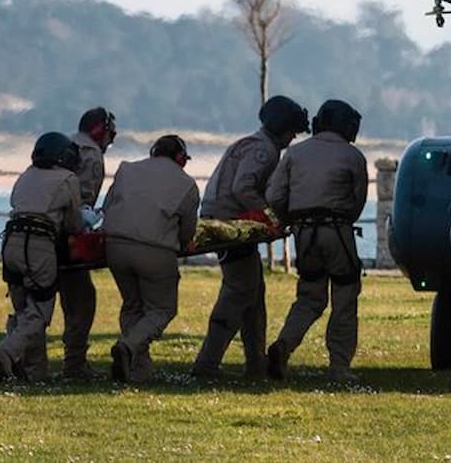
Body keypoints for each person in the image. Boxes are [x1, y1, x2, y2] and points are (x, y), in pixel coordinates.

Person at [190, 96, 310, 379]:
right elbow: (243, 188)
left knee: (254, 294)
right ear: (281, 127)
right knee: (239, 291)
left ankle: (256, 363)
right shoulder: (264, 150)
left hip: (221, 220)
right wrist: (271, 218)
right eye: (292, 130)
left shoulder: (249, 143)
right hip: (232, 228)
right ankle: (207, 363)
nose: (293, 137)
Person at [265, 99, 368, 383]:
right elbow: (357, 202)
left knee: (309, 297)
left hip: (304, 233)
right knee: (345, 298)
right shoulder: (352, 156)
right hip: (338, 232)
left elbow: (274, 197)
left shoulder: (295, 154)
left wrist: (290, 220)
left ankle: (284, 345)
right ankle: (339, 366)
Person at [101, 135, 199, 383]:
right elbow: (187, 232)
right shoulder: (187, 185)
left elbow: (108, 206)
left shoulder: (127, 169)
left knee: (132, 306)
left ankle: (137, 369)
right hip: (155, 250)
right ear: (180, 158)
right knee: (161, 309)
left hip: (115, 246)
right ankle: (128, 346)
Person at [0, 133, 83, 382]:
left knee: (22, 308)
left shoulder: (26, 175)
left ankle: (32, 372)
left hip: (10, 242)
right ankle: (8, 352)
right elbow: (74, 224)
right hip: (39, 244)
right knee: (40, 310)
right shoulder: (68, 179)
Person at [57, 107, 116, 379]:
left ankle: (21, 357)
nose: (110, 141)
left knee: (37, 303)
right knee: (82, 301)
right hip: (65, 235)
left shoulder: (65, 143)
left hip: (39, 234)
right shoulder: (91, 155)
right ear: (99, 131)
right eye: (109, 134)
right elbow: (81, 204)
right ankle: (75, 363)